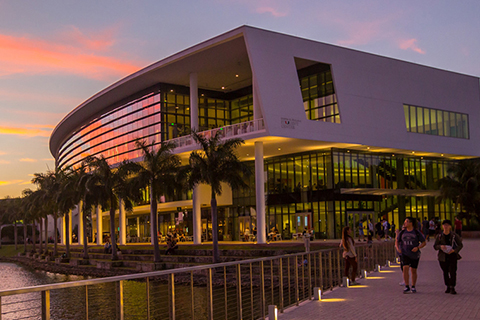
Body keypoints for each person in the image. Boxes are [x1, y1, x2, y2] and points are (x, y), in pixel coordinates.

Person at [396, 217, 426, 293]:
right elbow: (397, 240)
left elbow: (424, 242)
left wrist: (418, 247)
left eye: (406, 222)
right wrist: (397, 248)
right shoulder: (402, 232)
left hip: (414, 254)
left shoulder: (416, 232)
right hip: (405, 253)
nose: (405, 223)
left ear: (411, 223)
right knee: (405, 268)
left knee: (413, 270)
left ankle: (413, 286)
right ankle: (406, 286)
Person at [434, 219, 463, 294]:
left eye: (447, 225)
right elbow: (435, 246)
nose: (446, 227)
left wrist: (454, 250)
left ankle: (452, 286)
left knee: (452, 271)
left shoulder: (454, 235)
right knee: (445, 271)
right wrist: (440, 246)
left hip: (452, 255)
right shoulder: (439, 236)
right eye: (444, 225)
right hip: (443, 257)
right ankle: (447, 285)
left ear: (450, 226)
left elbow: (460, 245)